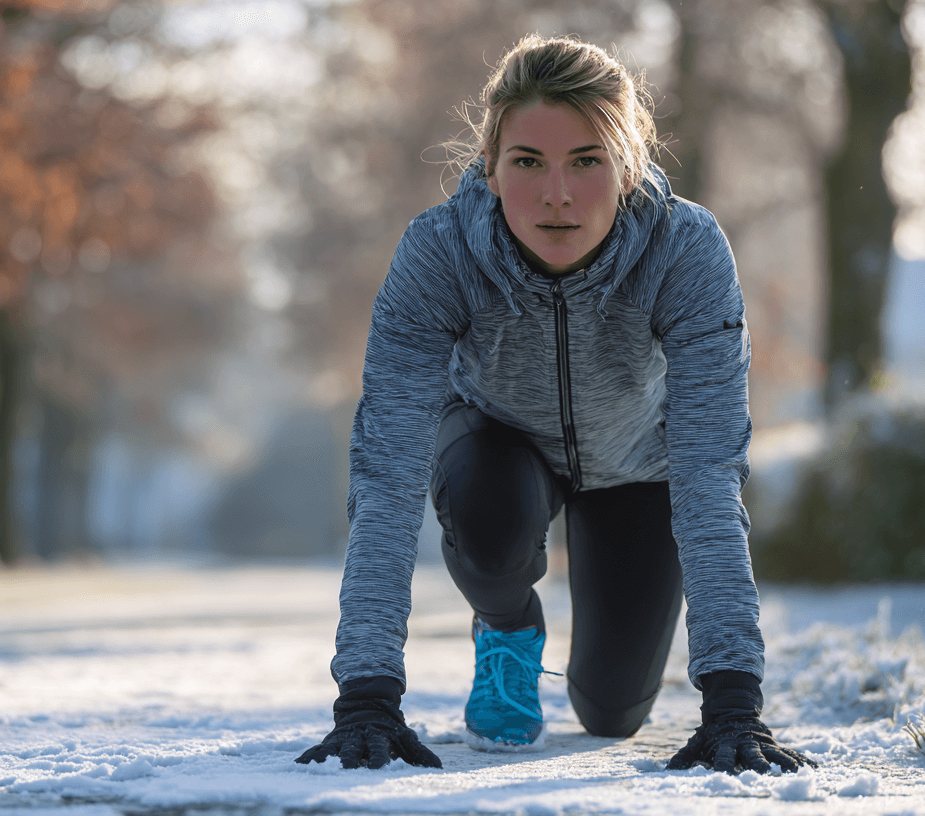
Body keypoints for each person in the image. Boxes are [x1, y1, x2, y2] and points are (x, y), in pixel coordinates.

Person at [295, 35, 815, 775]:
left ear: (628, 164)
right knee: (491, 524)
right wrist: (366, 698)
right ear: (491, 167)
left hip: (637, 467)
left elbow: (709, 474)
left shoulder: (686, 251)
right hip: (496, 452)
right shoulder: (439, 255)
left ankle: (595, 677)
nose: (557, 195)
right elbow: (387, 476)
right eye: (528, 162)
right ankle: (507, 628)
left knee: (611, 715)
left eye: (587, 161)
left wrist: (734, 700)